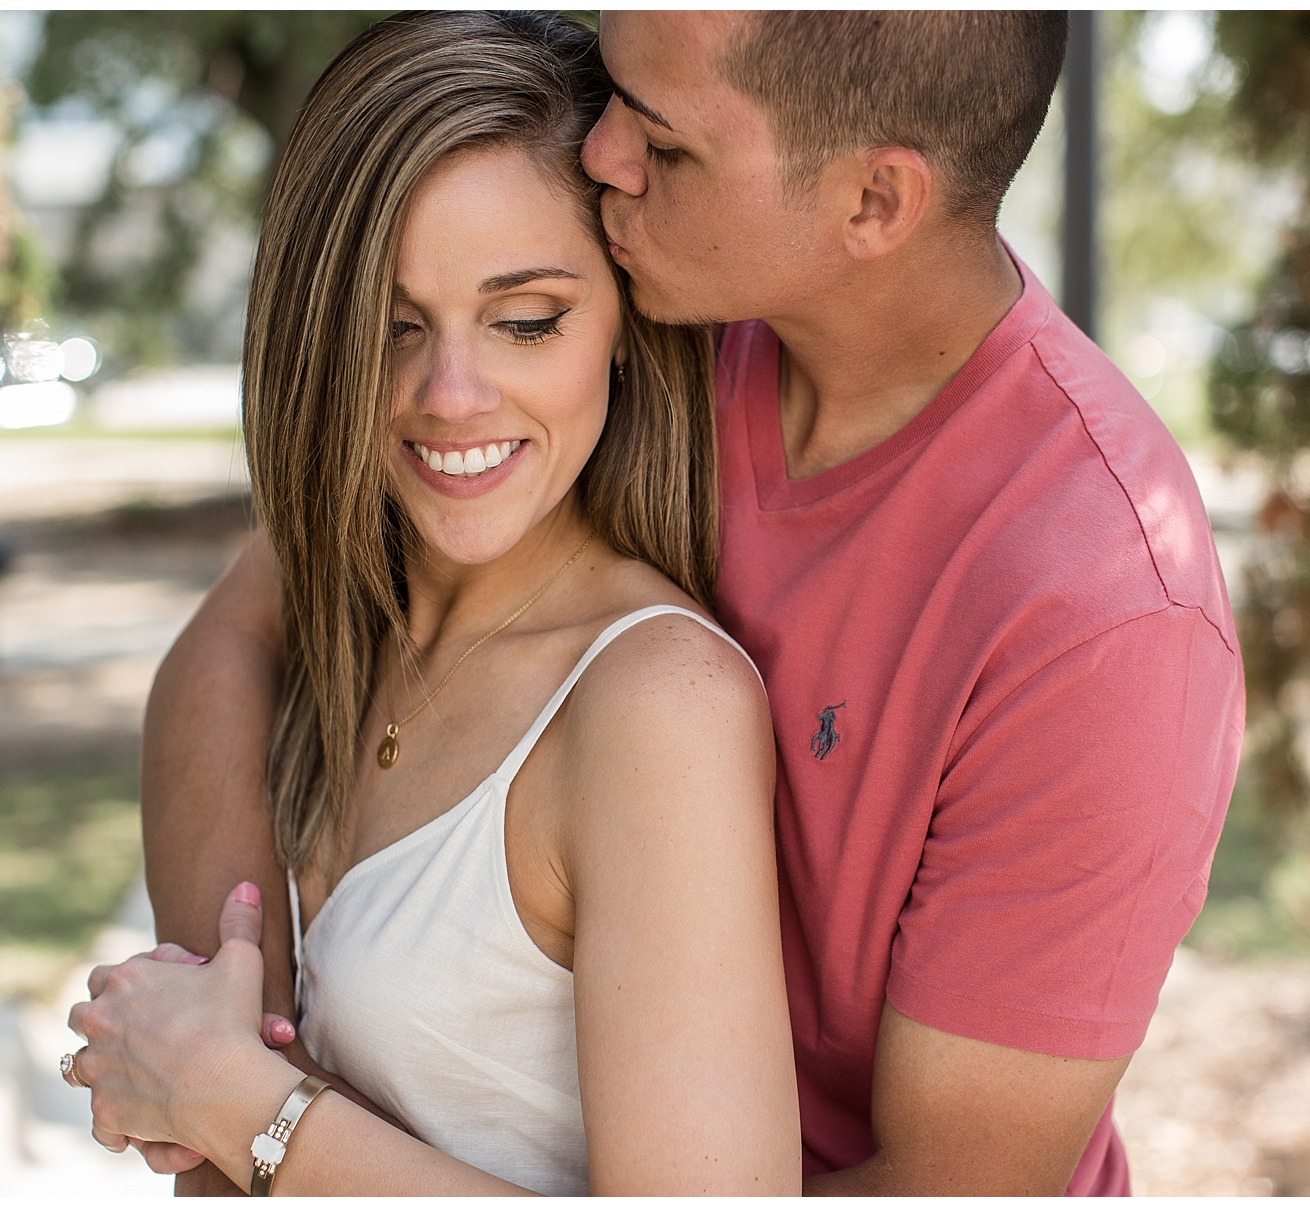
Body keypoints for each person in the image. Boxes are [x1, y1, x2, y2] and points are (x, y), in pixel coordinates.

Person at [117, 10, 1245, 1196]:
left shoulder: (1106, 612)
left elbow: (948, 1184)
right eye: (611, 93)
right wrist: (238, 1028)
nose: (602, 157)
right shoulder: (663, 318)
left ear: (872, 203)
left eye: (660, 136)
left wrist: (269, 1124)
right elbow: (252, 612)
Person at [65, 12, 801, 1195]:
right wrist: (228, 1058)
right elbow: (218, 650)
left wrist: (246, 1105)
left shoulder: (656, 703)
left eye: (525, 321)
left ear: (621, 322)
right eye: (391, 326)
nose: (450, 394)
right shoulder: (350, 595)